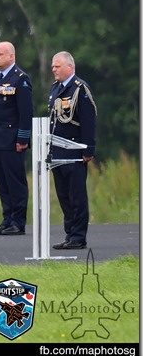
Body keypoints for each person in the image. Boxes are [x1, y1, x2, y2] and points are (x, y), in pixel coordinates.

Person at [48, 52, 97, 250]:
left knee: (76, 196)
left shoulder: (79, 89)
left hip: (75, 151)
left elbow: (88, 120)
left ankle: (78, 236)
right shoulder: (55, 89)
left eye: (57, 66)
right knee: (64, 196)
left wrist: (88, 149)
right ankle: (70, 234)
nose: (54, 69)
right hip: (58, 152)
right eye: (52, 66)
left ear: (70, 67)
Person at [0, 41, 33, 236]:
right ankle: (7, 218)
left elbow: (25, 112)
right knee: (2, 182)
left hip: (12, 139)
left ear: (11, 57)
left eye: (0, 54)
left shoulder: (20, 79)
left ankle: (18, 221)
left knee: (15, 181)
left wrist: (22, 138)